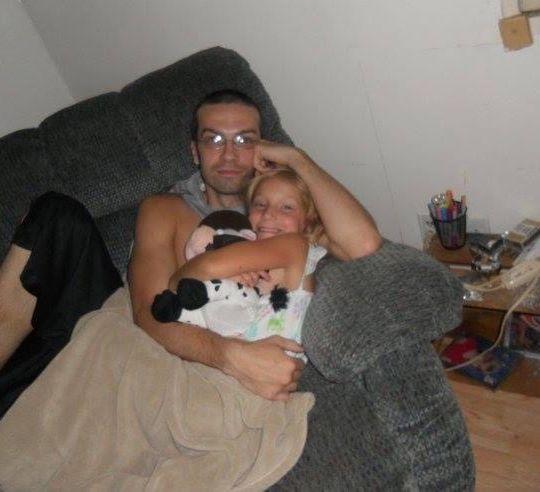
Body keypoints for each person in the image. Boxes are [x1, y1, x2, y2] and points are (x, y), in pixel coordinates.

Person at [128, 89, 382, 401]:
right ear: (195, 151)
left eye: (244, 140)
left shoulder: (283, 215)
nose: (229, 155)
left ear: (262, 147)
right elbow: (149, 312)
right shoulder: (163, 209)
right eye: (214, 140)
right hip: (191, 363)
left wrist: (296, 158)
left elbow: (364, 244)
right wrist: (230, 356)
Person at [157, 169, 327, 359]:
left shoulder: (295, 245)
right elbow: (178, 285)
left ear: (308, 221)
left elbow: (197, 272)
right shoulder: (240, 249)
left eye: (287, 207)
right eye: (260, 204)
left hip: (269, 368)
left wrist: (214, 271)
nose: (269, 214)